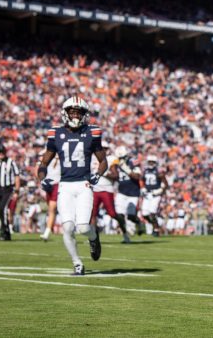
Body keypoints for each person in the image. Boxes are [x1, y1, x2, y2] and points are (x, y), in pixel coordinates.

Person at [36, 96, 107, 276]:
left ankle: (94, 237)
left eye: (78, 112)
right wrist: (42, 177)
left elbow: (103, 160)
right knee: (67, 227)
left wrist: (98, 174)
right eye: (72, 112)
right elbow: (44, 162)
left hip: (84, 185)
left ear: (85, 115)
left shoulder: (92, 132)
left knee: (83, 227)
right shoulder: (56, 133)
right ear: (65, 113)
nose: (75, 116)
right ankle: (77, 263)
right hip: (65, 186)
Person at [0, 144, 21, 241]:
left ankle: (6, 231)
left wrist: (17, 190)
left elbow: (17, 176)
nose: (1, 154)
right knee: (0, 210)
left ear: (5, 152)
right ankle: (4, 231)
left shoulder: (11, 162)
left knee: (3, 208)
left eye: (2, 152)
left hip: (8, 189)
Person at [113, 145, 142, 244]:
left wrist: (126, 169)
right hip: (121, 193)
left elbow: (137, 177)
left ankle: (138, 223)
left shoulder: (133, 162)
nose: (120, 160)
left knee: (131, 216)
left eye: (122, 158)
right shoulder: (116, 164)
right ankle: (125, 236)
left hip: (133, 193)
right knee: (119, 216)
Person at [140, 155, 168, 237]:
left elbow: (166, 184)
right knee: (145, 214)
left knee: (152, 213)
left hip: (155, 194)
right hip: (147, 194)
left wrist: (160, 190)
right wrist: (142, 188)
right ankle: (155, 226)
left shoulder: (158, 172)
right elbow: (141, 180)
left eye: (152, 162)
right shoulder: (145, 171)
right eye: (150, 162)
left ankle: (156, 229)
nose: (151, 163)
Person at [39, 157, 60, 241]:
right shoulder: (48, 154)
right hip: (48, 185)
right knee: (51, 210)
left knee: (52, 208)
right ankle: (50, 229)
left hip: (58, 184)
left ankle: (47, 233)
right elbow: (40, 168)